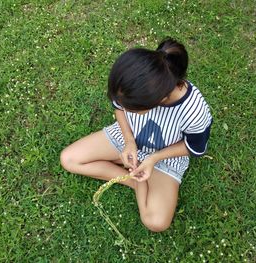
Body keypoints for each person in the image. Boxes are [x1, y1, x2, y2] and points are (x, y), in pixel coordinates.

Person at [60, 38, 213, 232]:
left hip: (165, 159)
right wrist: (129, 141)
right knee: (69, 159)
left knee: (156, 222)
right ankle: (135, 181)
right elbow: (119, 108)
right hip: (126, 137)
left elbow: (194, 147)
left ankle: (141, 179)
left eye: (131, 107)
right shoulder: (136, 82)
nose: (123, 107)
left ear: (157, 101)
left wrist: (153, 159)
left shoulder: (194, 111)